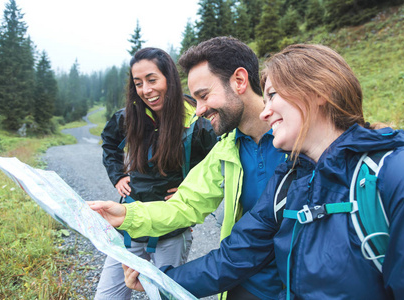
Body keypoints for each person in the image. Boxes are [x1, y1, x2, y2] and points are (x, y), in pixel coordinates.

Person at [121, 44, 404, 299]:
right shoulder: (290, 179)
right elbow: (236, 255)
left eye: (273, 94)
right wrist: (160, 279)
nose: (266, 110)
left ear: (317, 93)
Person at [89, 37, 287, 299]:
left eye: (203, 96)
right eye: (195, 99)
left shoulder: (296, 140)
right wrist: (125, 215)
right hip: (246, 285)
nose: (200, 110)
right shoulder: (225, 150)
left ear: (239, 81)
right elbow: (185, 206)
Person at [95, 47, 217, 300]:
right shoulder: (131, 117)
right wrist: (118, 175)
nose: (146, 90)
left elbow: (216, 163)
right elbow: (109, 142)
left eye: (152, 80)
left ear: (169, 79)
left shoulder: (197, 120)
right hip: (128, 224)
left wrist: (188, 190)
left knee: (166, 296)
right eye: (138, 83)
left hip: (172, 231)